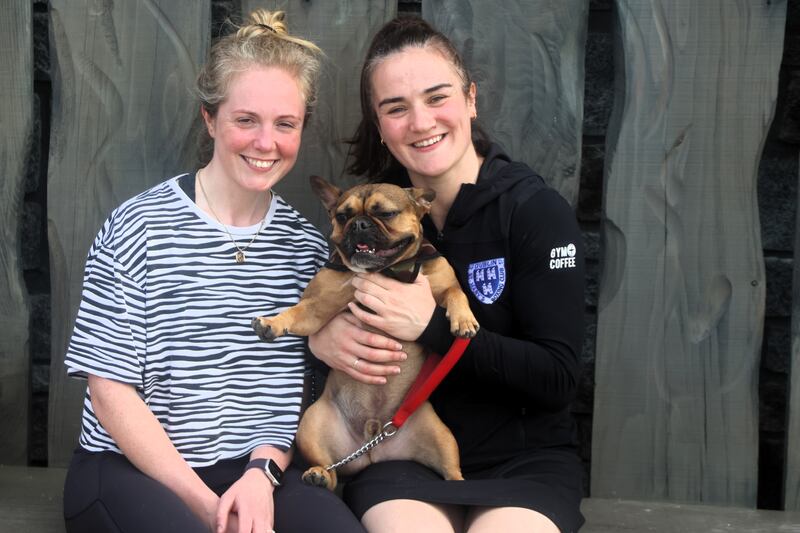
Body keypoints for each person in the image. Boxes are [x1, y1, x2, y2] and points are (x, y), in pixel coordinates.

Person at [62, 10, 365, 533]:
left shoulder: (305, 247)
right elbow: (108, 391)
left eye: (284, 124)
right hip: (134, 470)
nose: (265, 142)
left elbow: (297, 387)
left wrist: (261, 474)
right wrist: (205, 506)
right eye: (245, 119)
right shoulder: (139, 228)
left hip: (258, 470)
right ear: (210, 119)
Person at [308, 16, 586, 533]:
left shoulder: (533, 211)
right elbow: (318, 310)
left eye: (437, 97)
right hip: (399, 454)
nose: (420, 122)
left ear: (470, 99)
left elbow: (558, 377)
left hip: (525, 463)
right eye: (396, 108)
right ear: (380, 125)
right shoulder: (370, 215)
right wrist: (323, 342)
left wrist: (433, 326)